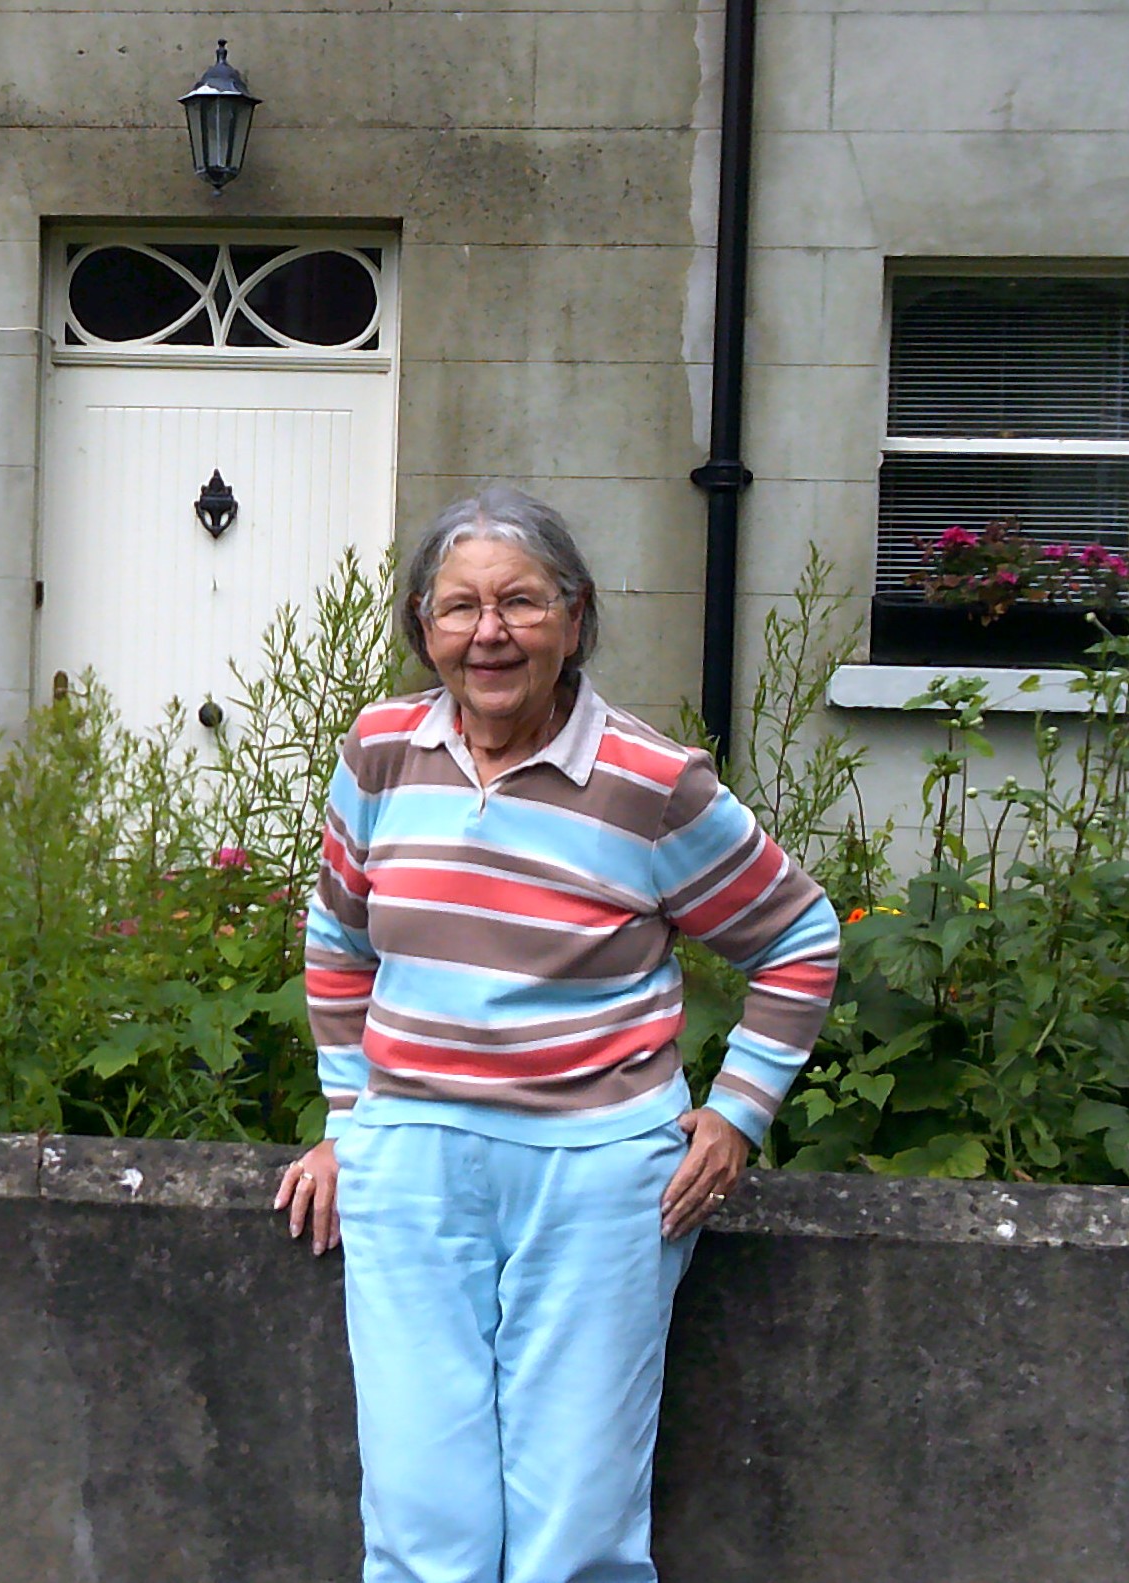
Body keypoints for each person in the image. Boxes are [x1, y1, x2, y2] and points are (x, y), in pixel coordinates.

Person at [272, 486, 840, 1583]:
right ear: (422, 627)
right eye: (459, 607)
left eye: (520, 602)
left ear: (573, 617)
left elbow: (797, 935)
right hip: (410, 1165)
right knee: (415, 1518)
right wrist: (348, 1119)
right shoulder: (379, 751)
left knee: (574, 1533)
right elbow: (340, 944)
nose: (489, 632)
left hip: (596, 1177)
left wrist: (734, 1114)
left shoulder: (647, 781)